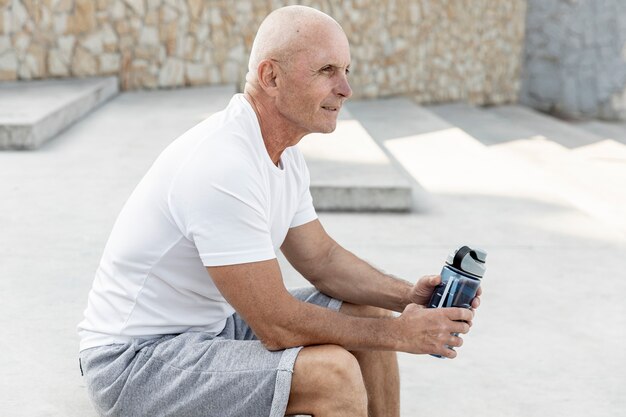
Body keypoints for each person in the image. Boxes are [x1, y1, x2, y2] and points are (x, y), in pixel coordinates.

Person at [78, 5, 481, 417]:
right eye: (327, 70)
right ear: (271, 76)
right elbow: (276, 324)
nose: (345, 88)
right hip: (135, 363)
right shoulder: (224, 165)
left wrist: (407, 297)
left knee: (367, 313)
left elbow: (322, 260)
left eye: (346, 70)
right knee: (331, 374)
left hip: (211, 330)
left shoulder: (282, 156)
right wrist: (399, 334)